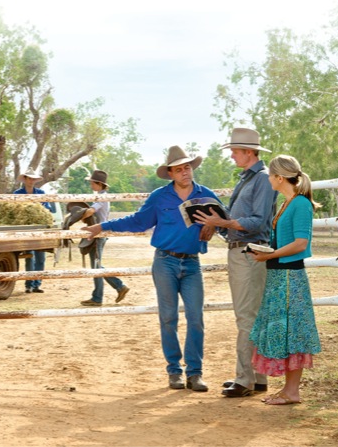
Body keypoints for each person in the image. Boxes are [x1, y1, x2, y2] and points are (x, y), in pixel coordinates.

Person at [83, 145, 223, 393]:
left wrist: (216, 224)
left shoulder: (206, 195)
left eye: (187, 167)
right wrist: (102, 226)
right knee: (168, 317)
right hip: (165, 261)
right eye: (178, 169)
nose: (185, 172)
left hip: (192, 263)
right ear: (170, 173)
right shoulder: (160, 197)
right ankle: (174, 371)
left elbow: (224, 220)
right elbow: (138, 221)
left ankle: (195, 373)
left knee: (196, 318)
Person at [193, 127, 277, 398]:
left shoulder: (261, 179)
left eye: (234, 151)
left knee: (245, 317)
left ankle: (245, 379)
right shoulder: (250, 178)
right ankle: (256, 376)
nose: (231, 156)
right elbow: (244, 219)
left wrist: (223, 222)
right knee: (251, 315)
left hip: (248, 252)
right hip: (243, 251)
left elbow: (258, 221)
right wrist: (216, 222)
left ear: (248, 152)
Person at [248, 154, 321, 405]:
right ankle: (288, 390)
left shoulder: (300, 204)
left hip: (290, 278)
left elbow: (301, 243)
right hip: (279, 276)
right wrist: (266, 252)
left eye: (270, 175)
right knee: (288, 331)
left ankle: (292, 392)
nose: (268, 178)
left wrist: (270, 255)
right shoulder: (287, 202)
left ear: (280, 177)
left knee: (292, 331)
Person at [78, 170, 130, 307]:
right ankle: (113, 289)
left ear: (99, 184)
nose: (91, 185)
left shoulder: (101, 197)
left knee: (96, 266)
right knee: (96, 265)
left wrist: (79, 216)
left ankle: (107, 293)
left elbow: (91, 211)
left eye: (92, 183)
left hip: (99, 235)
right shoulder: (102, 196)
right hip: (99, 234)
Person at [14, 167, 56, 294]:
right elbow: (14, 209)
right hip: (26, 228)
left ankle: (37, 283)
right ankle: (29, 284)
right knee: (30, 257)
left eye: (33, 179)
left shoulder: (41, 193)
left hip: (40, 228)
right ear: (25, 179)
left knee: (40, 258)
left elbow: (47, 208)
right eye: (29, 178)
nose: (31, 181)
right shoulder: (17, 194)